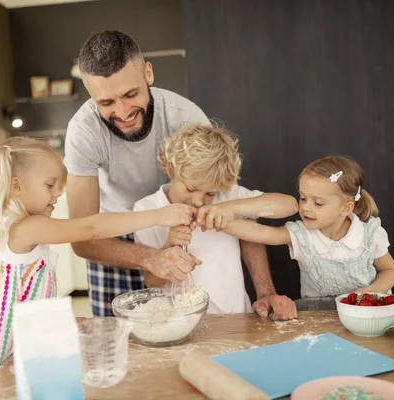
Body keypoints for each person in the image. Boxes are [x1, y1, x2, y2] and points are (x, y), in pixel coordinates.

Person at [64, 30, 297, 318]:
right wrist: (154, 258)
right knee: (124, 346)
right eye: (106, 103)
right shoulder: (83, 131)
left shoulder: (186, 117)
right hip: (110, 234)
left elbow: (239, 212)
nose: (122, 112)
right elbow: (83, 237)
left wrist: (264, 291)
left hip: (178, 224)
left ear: (148, 73)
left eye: (130, 94)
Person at [0, 137, 194, 399]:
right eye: (49, 184)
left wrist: (62, 322)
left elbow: (21, 302)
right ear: (16, 185)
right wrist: (159, 215)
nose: (58, 192)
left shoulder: (23, 228)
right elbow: (91, 228)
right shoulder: (26, 228)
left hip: (20, 354)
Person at [134, 124, 299, 316]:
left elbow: (289, 205)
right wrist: (170, 244)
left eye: (210, 193)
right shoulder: (147, 209)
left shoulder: (228, 196)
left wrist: (229, 208)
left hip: (235, 319)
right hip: (180, 325)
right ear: (171, 169)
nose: (198, 200)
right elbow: (152, 283)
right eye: (190, 188)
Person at [218, 156, 394, 306]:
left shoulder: (368, 235)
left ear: (346, 208)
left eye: (318, 203)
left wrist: (372, 291)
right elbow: (261, 233)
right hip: (317, 318)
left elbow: (390, 270)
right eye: (303, 198)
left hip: (365, 315)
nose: (305, 208)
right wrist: (217, 220)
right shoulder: (302, 234)